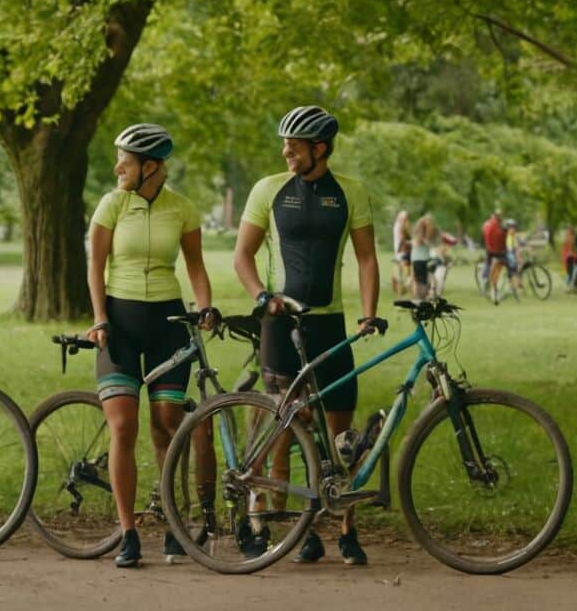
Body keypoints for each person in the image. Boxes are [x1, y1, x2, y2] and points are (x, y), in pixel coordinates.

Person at [233, 105, 383, 567]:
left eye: (294, 146)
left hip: (329, 323)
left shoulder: (350, 192)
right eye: (285, 145)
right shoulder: (268, 190)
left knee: (341, 435)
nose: (286, 153)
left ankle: (345, 531)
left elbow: (366, 259)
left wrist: (367, 314)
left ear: (320, 149)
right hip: (281, 322)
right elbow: (243, 255)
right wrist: (262, 296)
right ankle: (285, 528)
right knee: (282, 427)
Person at [85, 123, 214, 568]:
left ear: (151, 167)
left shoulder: (182, 209)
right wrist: (100, 318)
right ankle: (128, 533)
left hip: (168, 324)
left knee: (166, 424)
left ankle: (174, 522)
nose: (118, 166)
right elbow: (95, 265)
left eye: (127, 159)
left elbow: (195, 265)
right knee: (123, 427)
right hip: (119, 324)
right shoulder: (111, 204)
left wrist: (206, 306)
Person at [481, 209, 507, 304]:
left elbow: (484, 235)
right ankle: (493, 289)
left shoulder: (486, 224)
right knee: (500, 268)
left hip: (489, 250)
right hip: (498, 251)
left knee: (488, 265)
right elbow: (501, 237)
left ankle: (484, 280)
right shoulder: (498, 225)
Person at [391, 210, 411, 293]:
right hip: (402, 250)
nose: (405, 220)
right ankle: (402, 287)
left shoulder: (399, 225)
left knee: (402, 269)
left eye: (406, 218)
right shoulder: (400, 226)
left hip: (401, 251)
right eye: (403, 218)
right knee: (403, 269)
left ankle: (402, 287)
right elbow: (402, 239)